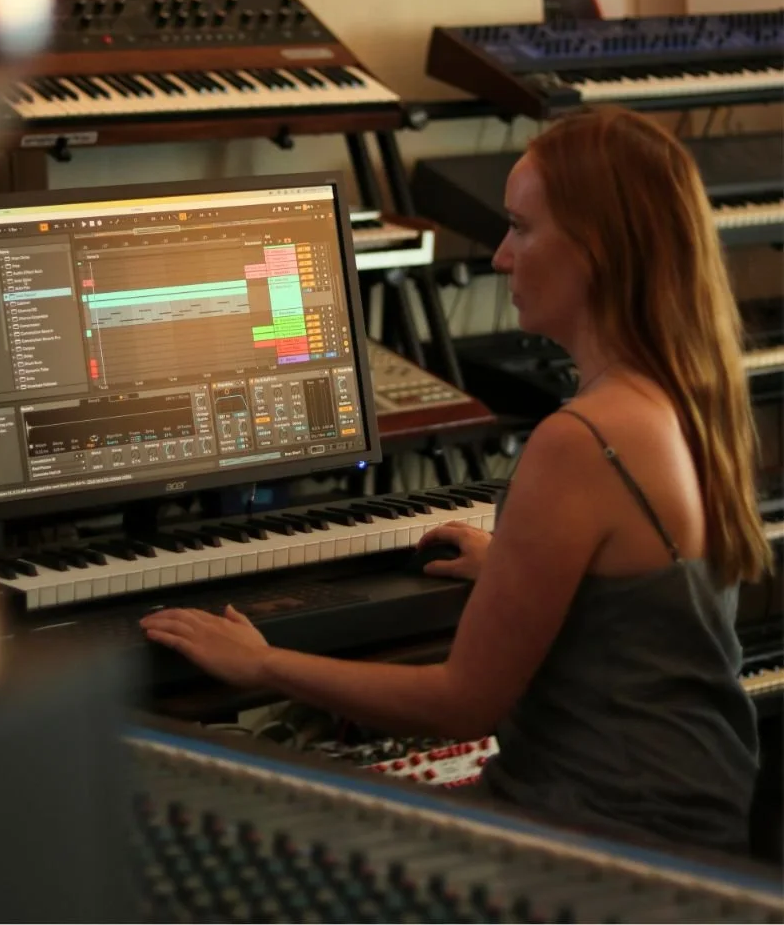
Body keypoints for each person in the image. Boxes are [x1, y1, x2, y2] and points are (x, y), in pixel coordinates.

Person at [141, 106, 770, 853]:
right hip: (697, 808)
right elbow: (634, 606)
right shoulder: (681, 394)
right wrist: (513, 569)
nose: (501, 257)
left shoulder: (579, 442)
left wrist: (261, 664)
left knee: (264, 843)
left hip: (604, 837)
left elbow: (459, 704)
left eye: (521, 228)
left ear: (595, 250)